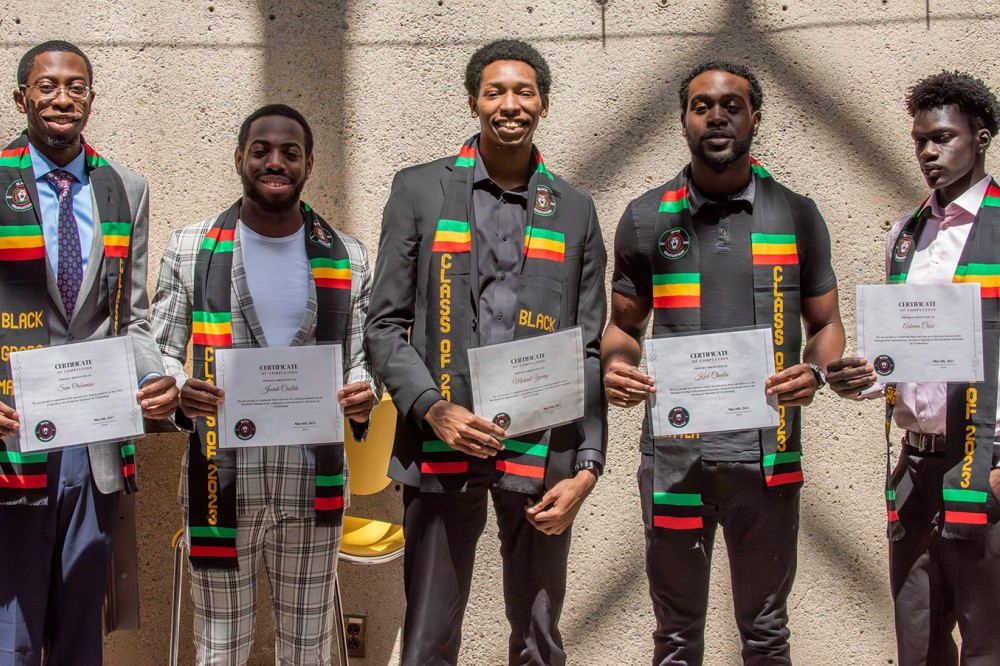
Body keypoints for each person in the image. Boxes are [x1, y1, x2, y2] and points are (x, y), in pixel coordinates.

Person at [364, 39, 607, 665]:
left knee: (539, 639)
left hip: (543, 451)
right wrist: (429, 407)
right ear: (474, 102)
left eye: (524, 91)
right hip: (442, 441)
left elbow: (587, 347)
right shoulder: (420, 190)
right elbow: (384, 325)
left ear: (544, 104)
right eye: (495, 91)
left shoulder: (575, 210)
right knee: (429, 637)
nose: (510, 104)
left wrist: (588, 463)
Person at [601, 62, 845, 665]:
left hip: (768, 459)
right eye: (701, 105)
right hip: (675, 458)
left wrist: (812, 373)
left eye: (732, 105)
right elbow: (621, 328)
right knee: (676, 637)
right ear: (684, 118)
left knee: (765, 632)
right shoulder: (644, 217)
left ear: (754, 117)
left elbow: (828, 327)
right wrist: (617, 366)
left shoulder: (796, 214)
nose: (716, 115)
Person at [149, 104, 377, 665]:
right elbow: (155, 348)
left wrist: (361, 387)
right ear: (240, 159)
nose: (275, 162)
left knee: (306, 650)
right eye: (261, 150)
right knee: (221, 647)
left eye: (290, 152)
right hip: (219, 479)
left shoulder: (348, 255)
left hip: (311, 478)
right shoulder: (191, 247)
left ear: (309, 164)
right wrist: (179, 387)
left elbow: (362, 357)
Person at [0, 40, 178, 664]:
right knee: (10, 626)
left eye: (75, 87)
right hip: (12, 431)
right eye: (46, 86)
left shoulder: (124, 188)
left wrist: (156, 379)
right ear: (21, 97)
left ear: (91, 100)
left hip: (94, 435)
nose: (61, 98)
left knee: (80, 626)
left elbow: (131, 316)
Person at [827, 71, 1000, 665]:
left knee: (988, 643)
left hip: (987, 463)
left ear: (981, 137)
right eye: (920, 140)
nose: (928, 152)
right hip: (916, 466)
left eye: (944, 137)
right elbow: (903, 353)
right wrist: (863, 377)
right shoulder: (906, 233)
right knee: (919, 642)